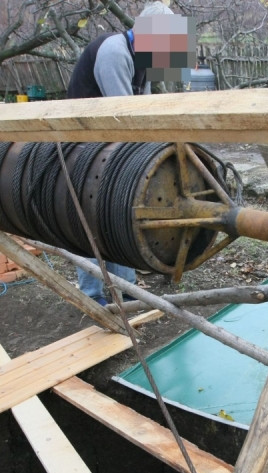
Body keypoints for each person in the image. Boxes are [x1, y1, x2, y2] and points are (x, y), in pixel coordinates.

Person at [66, 1, 195, 305]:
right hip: (83, 145)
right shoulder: (114, 53)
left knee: (117, 215)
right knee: (87, 223)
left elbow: (144, 112)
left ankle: (126, 289)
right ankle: (93, 296)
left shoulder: (143, 61)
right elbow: (123, 116)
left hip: (109, 145)